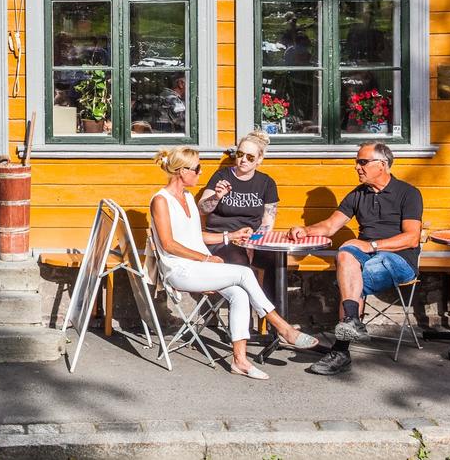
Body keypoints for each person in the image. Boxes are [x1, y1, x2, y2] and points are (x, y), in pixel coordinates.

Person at [149, 146, 318, 380]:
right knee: (243, 274)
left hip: (200, 267)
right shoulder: (161, 201)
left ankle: (240, 360)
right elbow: (168, 244)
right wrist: (207, 258)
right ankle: (283, 327)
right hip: (180, 269)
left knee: (239, 293)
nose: (201, 173)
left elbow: (197, 237)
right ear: (181, 171)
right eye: (197, 168)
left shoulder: (187, 197)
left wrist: (231, 236)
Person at [291, 141, 423, 376]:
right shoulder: (357, 195)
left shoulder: (408, 193)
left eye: (362, 162)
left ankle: (341, 352)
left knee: (353, 277)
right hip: (366, 258)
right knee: (345, 253)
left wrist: (370, 245)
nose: (357, 167)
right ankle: (352, 320)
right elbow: (331, 225)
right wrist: (306, 229)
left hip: (399, 260)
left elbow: (412, 238)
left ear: (382, 165)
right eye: (357, 162)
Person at [198, 129, 280, 301]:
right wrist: (217, 196)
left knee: (275, 261)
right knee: (238, 259)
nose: (243, 160)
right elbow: (202, 209)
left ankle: (272, 319)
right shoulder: (222, 176)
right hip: (221, 240)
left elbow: (267, 222)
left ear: (259, 159)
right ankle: (245, 322)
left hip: (252, 240)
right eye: (240, 154)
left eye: (250, 157)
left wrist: (252, 244)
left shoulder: (266, 183)